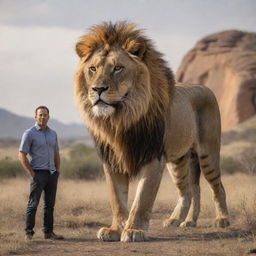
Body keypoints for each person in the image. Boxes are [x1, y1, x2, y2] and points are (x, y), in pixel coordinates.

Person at [18, 106, 63, 240]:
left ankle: (48, 232)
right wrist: (32, 174)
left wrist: (57, 171)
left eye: (45, 115)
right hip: (38, 174)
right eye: (40, 115)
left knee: (50, 205)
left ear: (49, 117)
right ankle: (29, 233)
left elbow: (56, 154)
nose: (43, 117)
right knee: (33, 204)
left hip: (52, 174)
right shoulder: (29, 133)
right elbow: (21, 155)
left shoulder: (53, 134)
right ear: (35, 117)